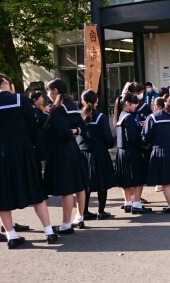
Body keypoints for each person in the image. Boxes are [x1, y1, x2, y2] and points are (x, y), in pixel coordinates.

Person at [0, 73, 58, 248]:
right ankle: (49, 231)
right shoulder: (20, 100)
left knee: (1, 195)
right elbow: (32, 126)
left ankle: (11, 235)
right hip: (22, 149)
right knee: (35, 191)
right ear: (5, 81)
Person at [44, 78, 88, 233]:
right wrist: (75, 131)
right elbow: (83, 127)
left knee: (66, 189)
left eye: (48, 91)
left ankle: (66, 224)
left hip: (61, 150)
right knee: (79, 185)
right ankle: (80, 217)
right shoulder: (72, 104)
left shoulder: (57, 108)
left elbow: (62, 133)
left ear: (55, 91)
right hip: (73, 148)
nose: (47, 94)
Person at [77, 90, 117, 220]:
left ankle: (85, 211)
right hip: (99, 153)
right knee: (102, 183)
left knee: (85, 183)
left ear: (82, 101)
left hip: (82, 153)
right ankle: (101, 211)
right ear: (97, 101)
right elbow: (108, 139)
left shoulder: (77, 116)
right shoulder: (101, 117)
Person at [114, 92, 151, 214]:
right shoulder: (129, 117)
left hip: (121, 151)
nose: (136, 106)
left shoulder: (121, 116)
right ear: (127, 103)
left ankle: (128, 203)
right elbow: (132, 137)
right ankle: (136, 204)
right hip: (131, 151)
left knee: (126, 178)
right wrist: (143, 145)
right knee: (138, 178)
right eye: (135, 104)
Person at [29, 90, 48, 177]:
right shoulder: (34, 109)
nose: (43, 98)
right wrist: (46, 113)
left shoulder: (40, 108)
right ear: (35, 99)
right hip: (39, 137)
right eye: (41, 97)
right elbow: (38, 121)